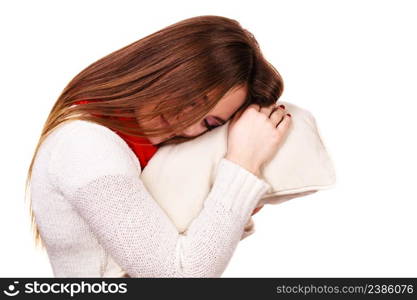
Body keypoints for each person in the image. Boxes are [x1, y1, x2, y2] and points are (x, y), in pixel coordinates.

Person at [25, 15, 291, 277]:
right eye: (193, 99)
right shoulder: (87, 144)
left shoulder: (142, 151)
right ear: (164, 67)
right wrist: (243, 163)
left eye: (209, 122)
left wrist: (232, 209)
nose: (187, 125)